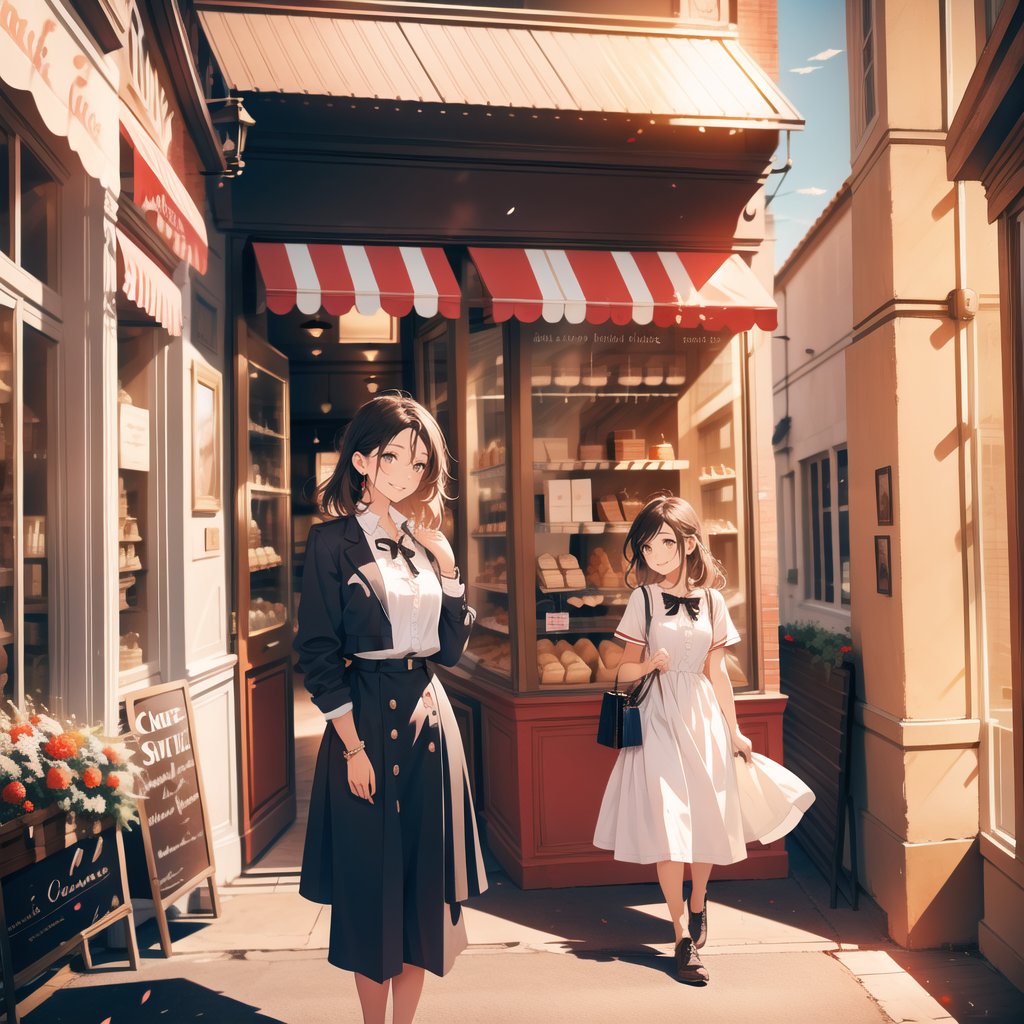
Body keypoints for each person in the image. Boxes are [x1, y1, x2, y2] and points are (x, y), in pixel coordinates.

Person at [294, 393, 487, 1024]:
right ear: (362, 461)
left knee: (421, 892)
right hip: (366, 719)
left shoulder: (429, 545)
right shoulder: (331, 544)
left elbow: (452, 652)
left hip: (429, 716)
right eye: (393, 456)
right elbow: (318, 653)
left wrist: (451, 570)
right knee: (369, 889)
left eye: (418, 461)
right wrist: (352, 747)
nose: (406, 472)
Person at [593, 495, 813, 985]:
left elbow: (719, 674)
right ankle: (680, 937)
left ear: (688, 543)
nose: (654, 554)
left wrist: (734, 730)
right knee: (670, 826)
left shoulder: (713, 600)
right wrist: (649, 664)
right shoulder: (643, 599)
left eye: (665, 543)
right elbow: (620, 670)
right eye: (646, 546)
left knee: (707, 819)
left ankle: (698, 902)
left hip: (702, 718)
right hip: (656, 719)